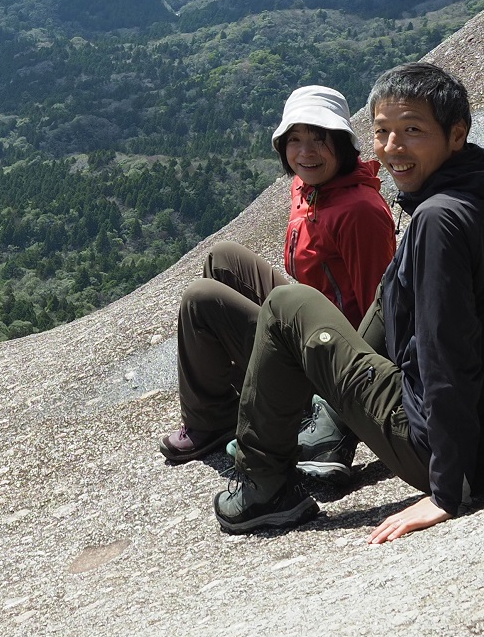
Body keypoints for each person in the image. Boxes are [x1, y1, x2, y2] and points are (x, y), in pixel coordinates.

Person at [212, 62, 484, 540]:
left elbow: (448, 353)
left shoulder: (438, 221)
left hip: (461, 453)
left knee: (286, 307)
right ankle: (332, 428)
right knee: (394, 279)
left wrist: (447, 490)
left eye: (412, 131)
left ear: (456, 134)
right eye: (381, 132)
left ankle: (263, 487)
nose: (393, 148)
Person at [159, 84, 395, 471]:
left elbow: (381, 309)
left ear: (343, 143)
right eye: (295, 140)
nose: (306, 153)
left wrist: (347, 401)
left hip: (331, 358)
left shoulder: (358, 211)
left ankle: (215, 420)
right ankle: (230, 403)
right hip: (309, 321)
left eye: (320, 139)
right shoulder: (308, 188)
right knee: (223, 259)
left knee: (201, 298)